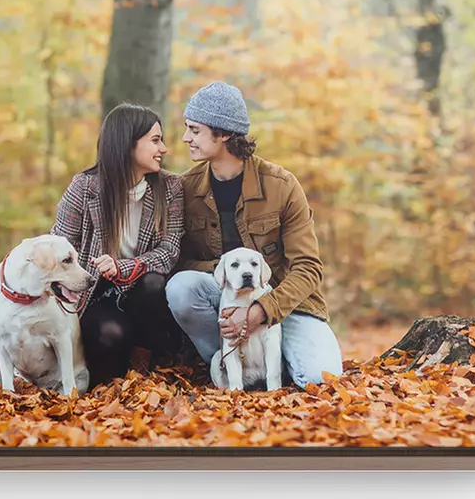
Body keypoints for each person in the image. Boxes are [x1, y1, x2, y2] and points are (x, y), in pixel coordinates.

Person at [165, 81, 343, 389]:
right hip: (224, 300)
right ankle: (226, 365)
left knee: (319, 378)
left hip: (288, 306)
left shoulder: (282, 185)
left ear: (222, 134)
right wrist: (223, 275)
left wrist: (262, 310)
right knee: (181, 288)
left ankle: (278, 364)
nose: (185, 138)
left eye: (194, 130)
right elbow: (177, 261)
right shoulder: (186, 189)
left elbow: (308, 269)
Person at [51, 103, 185, 387]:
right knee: (110, 333)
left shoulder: (170, 189)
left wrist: (123, 267)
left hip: (145, 296)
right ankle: (105, 382)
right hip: (97, 293)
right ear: (127, 143)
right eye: (155, 140)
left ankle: (143, 370)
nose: (163, 149)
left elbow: (170, 250)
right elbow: (58, 249)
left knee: (153, 284)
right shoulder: (84, 187)